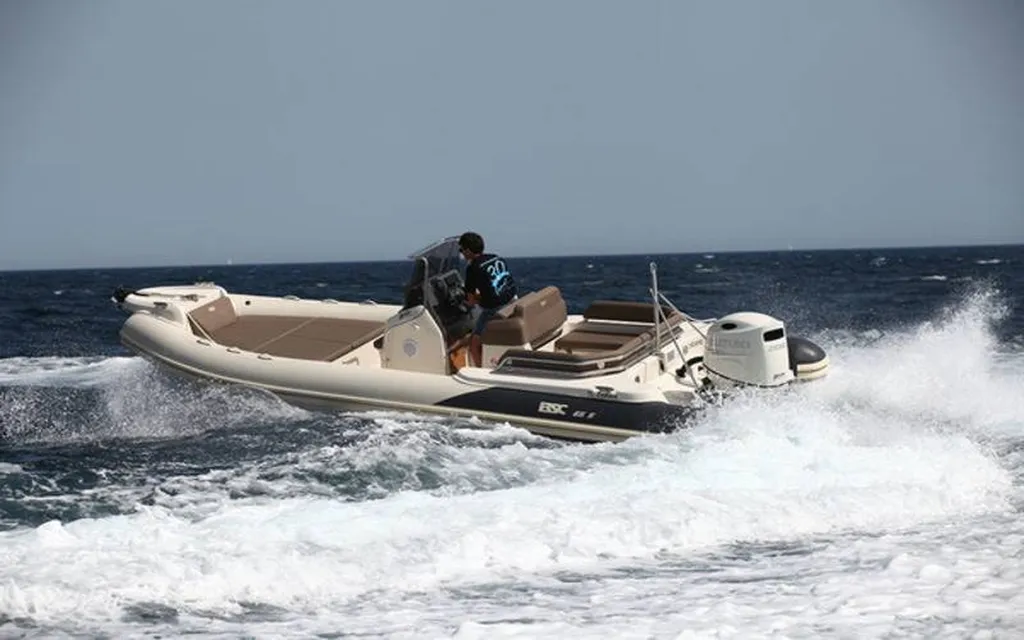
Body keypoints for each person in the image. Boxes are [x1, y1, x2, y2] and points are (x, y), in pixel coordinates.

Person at [458, 231, 517, 367]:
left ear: (468, 250)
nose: (462, 254)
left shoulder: (472, 268)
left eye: (461, 250)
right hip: (513, 301)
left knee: (473, 342)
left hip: (496, 309)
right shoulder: (496, 258)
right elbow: (496, 288)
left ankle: (480, 371)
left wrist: (464, 298)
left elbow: (471, 301)